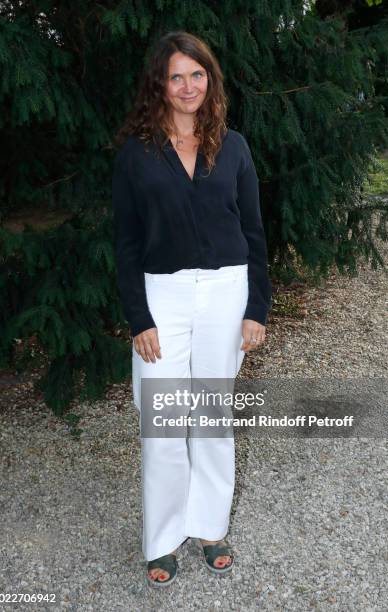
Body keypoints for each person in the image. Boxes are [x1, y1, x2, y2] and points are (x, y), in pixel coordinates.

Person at [112, 30, 272, 588]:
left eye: (197, 74)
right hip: (164, 297)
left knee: (211, 420)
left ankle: (209, 527)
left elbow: (253, 233)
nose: (187, 86)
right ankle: (161, 539)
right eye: (176, 76)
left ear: (211, 78)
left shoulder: (235, 147)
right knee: (163, 422)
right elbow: (127, 242)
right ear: (160, 83)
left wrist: (256, 307)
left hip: (227, 294)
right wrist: (140, 318)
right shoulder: (137, 154)